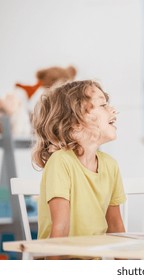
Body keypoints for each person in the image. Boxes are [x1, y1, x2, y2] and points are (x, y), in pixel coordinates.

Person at [31, 80, 126, 257]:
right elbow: (60, 228)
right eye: (103, 105)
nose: (114, 110)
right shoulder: (61, 162)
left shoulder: (111, 165)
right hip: (62, 261)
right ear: (75, 123)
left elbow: (116, 226)